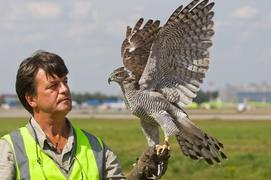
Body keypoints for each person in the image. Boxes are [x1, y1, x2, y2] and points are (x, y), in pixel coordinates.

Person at [0, 51, 169, 180]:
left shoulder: (97, 148)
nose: (64, 89)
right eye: (53, 86)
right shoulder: (11, 148)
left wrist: (141, 174)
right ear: (31, 99)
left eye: (65, 81)